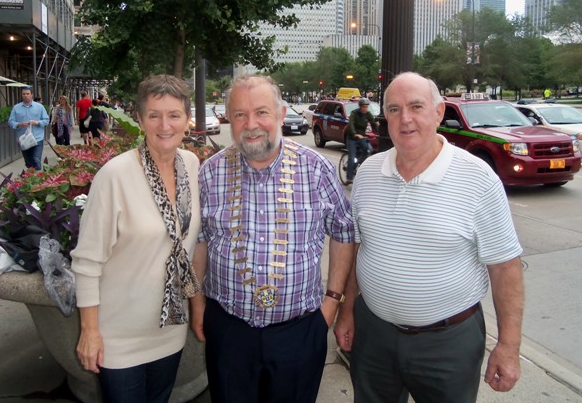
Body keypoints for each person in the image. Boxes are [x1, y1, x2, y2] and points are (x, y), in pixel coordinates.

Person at [334, 72, 525, 403]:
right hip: (374, 334)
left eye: (416, 106)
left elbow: (505, 268)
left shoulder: (478, 179)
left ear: (438, 113)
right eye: (394, 109)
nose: (405, 119)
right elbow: (360, 249)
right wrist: (347, 310)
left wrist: (509, 346)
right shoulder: (367, 173)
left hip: (448, 343)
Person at [190, 75, 356, 403]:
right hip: (229, 330)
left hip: (300, 329)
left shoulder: (316, 169)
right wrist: (197, 304)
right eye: (239, 114)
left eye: (262, 112)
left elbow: (344, 232)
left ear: (281, 114)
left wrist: (331, 302)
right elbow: (199, 240)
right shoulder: (209, 172)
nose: (251, 124)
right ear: (229, 119)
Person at [71, 75, 201, 403]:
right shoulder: (115, 176)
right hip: (119, 337)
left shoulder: (192, 165)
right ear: (140, 120)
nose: (165, 125)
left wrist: (197, 306)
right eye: (154, 115)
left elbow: (191, 246)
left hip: (169, 330)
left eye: (174, 115)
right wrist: (89, 331)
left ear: (187, 119)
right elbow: (87, 261)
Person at [8, 86, 49, 171]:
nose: (25, 96)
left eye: (27, 94)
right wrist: (20, 124)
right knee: (28, 162)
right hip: (23, 139)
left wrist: (36, 122)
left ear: (32, 95)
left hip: (37, 138)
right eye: (24, 94)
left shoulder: (39, 107)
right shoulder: (16, 108)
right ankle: (31, 177)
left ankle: (38, 179)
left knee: (36, 159)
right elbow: (11, 121)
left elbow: (46, 120)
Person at [345, 97, 376, 183]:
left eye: (366, 107)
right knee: (352, 158)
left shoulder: (368, 114)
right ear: (360, 107)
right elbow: (351, 124)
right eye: (364, 107)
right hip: (352, 138)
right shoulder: (354, 113)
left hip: (362, 137)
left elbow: (373, 123)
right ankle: (349, 178)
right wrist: (355, 134)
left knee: (369, 149)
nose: (365, 109)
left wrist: (378, 132)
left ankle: (360, 164)